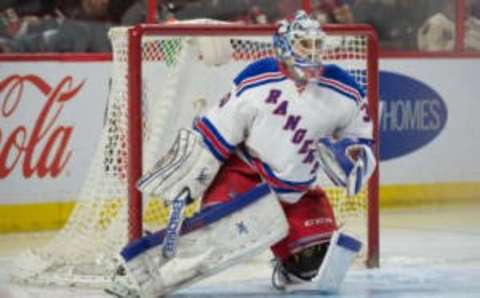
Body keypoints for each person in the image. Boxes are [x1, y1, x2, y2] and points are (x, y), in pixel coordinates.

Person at [107, 10, 376, 298]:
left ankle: (288, 262)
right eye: (303, 45)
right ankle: (139, 264)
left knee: (313, 265)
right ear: (285, 46)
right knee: (215, 238)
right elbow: (217, 130)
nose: (311, 53)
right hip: (247, 178)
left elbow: (362, 139)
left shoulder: (344, 89)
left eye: (315, 45)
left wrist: (351, 158)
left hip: (299, 191)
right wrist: (191, 174)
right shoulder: (258, 79)